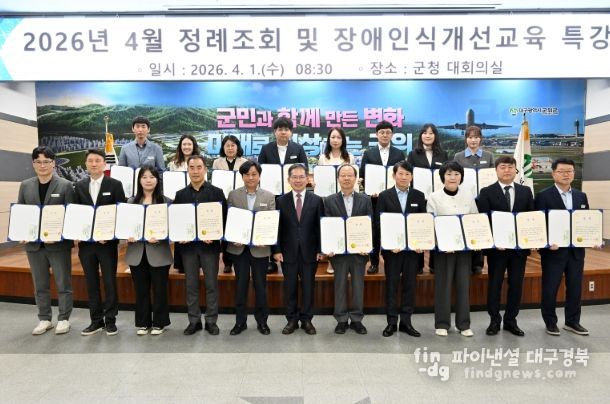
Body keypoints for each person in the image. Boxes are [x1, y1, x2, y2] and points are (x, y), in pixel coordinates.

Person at [17, 146, 76, 335]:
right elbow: (22, 213)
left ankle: (64, 319)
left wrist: (59, 235)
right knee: (40, 284)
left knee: (63, 284)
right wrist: (22, 232)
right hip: (34, 246)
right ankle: (44, 319)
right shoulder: (25, 185)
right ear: (33, 164)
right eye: (38, 162)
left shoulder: (66, 185)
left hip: (58, 245)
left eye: (46, 162)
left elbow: (71, 216)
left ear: (53, 163)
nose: (42, 165)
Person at [535, 158, 595, 336]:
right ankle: (550, 322)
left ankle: (572, 321)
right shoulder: (543, 196)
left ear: (574, 174)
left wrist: (591, 237)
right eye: (561, 171)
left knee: (575, 288)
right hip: (553, 251)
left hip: (576, 251)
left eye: (570, 171)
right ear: (553, 174)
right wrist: (546, 244)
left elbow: (586, 222)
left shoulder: (581, 196)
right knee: (550, 288)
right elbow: (539, 224)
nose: (566, 174)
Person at [477, 156, 534, 337]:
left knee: (516, 285)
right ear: (496, 170)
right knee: (495, 285)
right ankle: (494, 320)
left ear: (516, 170)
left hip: (519, 249)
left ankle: (511, 320)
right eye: (503, 167)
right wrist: (494, 242)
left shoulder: (526, 191)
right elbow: (484, 220)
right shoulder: (487, 192)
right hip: (497, 250)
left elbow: (531, 219)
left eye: (510, 167)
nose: (507, 170)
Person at [74, 149, 126, 336]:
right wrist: (76, 233)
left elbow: (121, 212)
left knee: (109, 282)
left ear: (105, 163)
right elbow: (75, 213)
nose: (94, 164)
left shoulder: (115, 184)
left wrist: (111, 234)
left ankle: (110, 320)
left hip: (107, 244)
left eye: (97, 160)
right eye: (90, 161)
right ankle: (95, 320)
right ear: (86, 164)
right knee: (91, 282)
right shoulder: (79, 185)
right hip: (86, 244)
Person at [173, 155, 227, 336]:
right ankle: (194, 321)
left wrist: (215, 234)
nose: (195, 171)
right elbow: (177, 221)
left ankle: (211, 321)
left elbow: (223, 219)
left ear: (205, 169)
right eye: (192, 167)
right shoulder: (180, 195)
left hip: (209, 247)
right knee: (191, 285)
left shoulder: (217, 192)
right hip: (188, 248)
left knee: (211, 284)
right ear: (187, 170)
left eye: (199, 167)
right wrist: (180, 235)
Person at [427, 161, 478, 337]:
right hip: (443, 250)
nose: (452, 177)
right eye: (448, 174)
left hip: (464, 249)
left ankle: (463, 324)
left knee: (463, 286)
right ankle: (442, 323)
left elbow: (474, 219)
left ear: (461, 177)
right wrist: (442, 242)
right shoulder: (434, 197)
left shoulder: (468, 196)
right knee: (443, 285)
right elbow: (431, 223)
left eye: (456, 174)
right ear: (443, 177)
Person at [376, 161, 427, 337]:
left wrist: (422, 243)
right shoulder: (384, 196)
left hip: (413, 251)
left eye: (407, 174)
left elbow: (423, 222)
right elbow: (379, 223)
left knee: (409, 286)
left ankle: (406, 322)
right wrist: (388, 244)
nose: (404, 177)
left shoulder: (419, 196)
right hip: (393, 251)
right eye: (400, 173)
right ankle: (391, 322)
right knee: (391, 286)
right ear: (394, 175)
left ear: (411, 176)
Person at [273, 163, 324, 335]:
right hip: (288, 253)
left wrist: (320, 249)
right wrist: (276, 250)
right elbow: (277, 228)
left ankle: (307, 320)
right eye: (294, 177)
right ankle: (292, 320)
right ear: (289, 180)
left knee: (309, 288)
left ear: (307, 179)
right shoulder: (281, 201)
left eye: (302, 177)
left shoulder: (316, 200)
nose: (298, 180)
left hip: (310, 252)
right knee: (290, 288)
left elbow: (320, 227)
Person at [226, 160, 276, 335]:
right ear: (242, 176)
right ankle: (240, 322)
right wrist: (233, 237)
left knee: (260, 286)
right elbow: (229, 220)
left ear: (259, 176)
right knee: (240, 286)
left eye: (254, 174)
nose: (250, 178)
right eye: (247, 174)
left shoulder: (269, 196)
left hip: (260, 249)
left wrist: (266, 238)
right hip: (239, 249)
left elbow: (272, 222)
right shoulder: (233, 195)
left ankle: (262, 322)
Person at [325, 164, 374, 335]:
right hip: (338, 252)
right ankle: (341, 320)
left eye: (350, 175)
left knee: (358, 286)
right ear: (338, 179)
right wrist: (329, 247)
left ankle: (357, 319)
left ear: (355, 178)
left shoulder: (365, 199)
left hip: (359, 252)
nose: (346, 178)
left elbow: (370, 225)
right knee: (339, 285)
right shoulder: (329, 200)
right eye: (343, 175)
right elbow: (327, 226)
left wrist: (367, 246)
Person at [125, 165, 172, 335]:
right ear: (139, 180)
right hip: (137, 252)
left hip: (159, 252)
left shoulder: (166, 202)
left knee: (160, 289)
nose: (148, 180)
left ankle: (159, 322)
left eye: (152, 177)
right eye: (144, 177)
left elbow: (172, 227)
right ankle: (143, 323)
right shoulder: (131, 202)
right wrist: (127, 235)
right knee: (141, 289)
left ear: (157, 180)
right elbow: (125, 226)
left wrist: (162, 235)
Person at [257, 117, 308, 273]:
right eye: (280, 129)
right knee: (272, 224)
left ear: (291, 132)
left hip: (292, 195)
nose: (283, 132)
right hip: (271, 195)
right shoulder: (266, 149)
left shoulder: (298, 149)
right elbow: (260, 171)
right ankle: (271, 258)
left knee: (290, 225)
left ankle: (292, 255)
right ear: (275, 132)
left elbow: (304, 170)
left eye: (286, 129)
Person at [359, 120, 405, 274]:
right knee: (374, 230)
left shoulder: (399, 153)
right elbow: (363, 174)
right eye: (382, 132)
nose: (385, 135)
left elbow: (402, 174)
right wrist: (369, 189)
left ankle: (392, 260)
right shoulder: (369, 153)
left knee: (392, 227)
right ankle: (374, 262)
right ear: (376, 134)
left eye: (388, 132)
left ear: (392, 134)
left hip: (393, 198)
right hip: (374, 199)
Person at [407, 123, 449, 275]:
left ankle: (434, 264)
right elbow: (409, 175)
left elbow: (446, 174)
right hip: (419, 198)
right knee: (419, 229)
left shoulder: (443, 154)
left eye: (431, 133)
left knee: (437, 229)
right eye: (425, 133)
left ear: (435, 136)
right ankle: (418, 265)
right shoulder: (413, 154)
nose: (428, 135)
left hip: (438, 198)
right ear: (421, 136)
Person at [453, 125, 494, 275]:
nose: (473, 140)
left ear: (481, 139)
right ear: (466, 139)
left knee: (479, 229)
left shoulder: (489, 156)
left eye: (476, 137)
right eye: (470, 137)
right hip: (464, 198)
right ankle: (463, 262)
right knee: (464, 229)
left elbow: (493, 176)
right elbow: (454, 175)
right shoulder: (458, 156)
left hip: (483, 199)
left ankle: (477, 263)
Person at [317, 127, 355, 274]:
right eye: (333, 137)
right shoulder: (323, 157)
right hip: (328, 199)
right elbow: (320, 177)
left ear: (343, 140)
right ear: (328, 139)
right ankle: (331, 262)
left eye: (339, 137)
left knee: (347, 228)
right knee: (331, 228)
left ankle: (348, 261)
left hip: (346, 197)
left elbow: (353, 177)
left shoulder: (349, 157)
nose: (335, 140)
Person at [212, 135, 248, 273]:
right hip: (223, 199)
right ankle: (227, 262)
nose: (230, 148)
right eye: (227, 145)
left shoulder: (244, 162)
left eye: (233, 145)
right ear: (223, 147)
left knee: (237, 228)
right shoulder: (217, 162)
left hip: (239, 199)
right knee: (225, 228)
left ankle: (238, 258)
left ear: (237, 147)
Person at [168, 134, 202, 274]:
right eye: (184, 144)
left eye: (189, 144)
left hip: (196, 199)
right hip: (180, 200)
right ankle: (181, 263)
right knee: (182, 232)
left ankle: (198, 262)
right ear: (180, 146)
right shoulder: (173, 163)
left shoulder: (200, 161)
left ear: (194, 146)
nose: (186, 147)